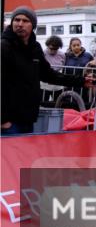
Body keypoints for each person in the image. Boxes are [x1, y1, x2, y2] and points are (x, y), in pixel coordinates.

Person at [1, 7, 79, 135]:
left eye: (25, 21)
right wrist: (3, 120)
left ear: (33, 25)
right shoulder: (4, 47)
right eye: (17, 20)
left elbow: (48, 74)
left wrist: (81, 81)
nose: (20, 24)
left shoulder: (35, 47)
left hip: (28, 119)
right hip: (9, 123)